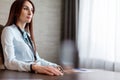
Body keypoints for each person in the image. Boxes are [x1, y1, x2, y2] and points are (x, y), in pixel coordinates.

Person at [1, 0, 63, 76]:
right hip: (19, 76)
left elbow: (37, 59)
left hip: (32, 74)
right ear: (16, 11)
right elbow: (9, 62)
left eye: (32, 10)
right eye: (25, 9)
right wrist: (33, 67)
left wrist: (55, 66)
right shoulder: (8, 31)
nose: (30, 13)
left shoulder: (27, 35)